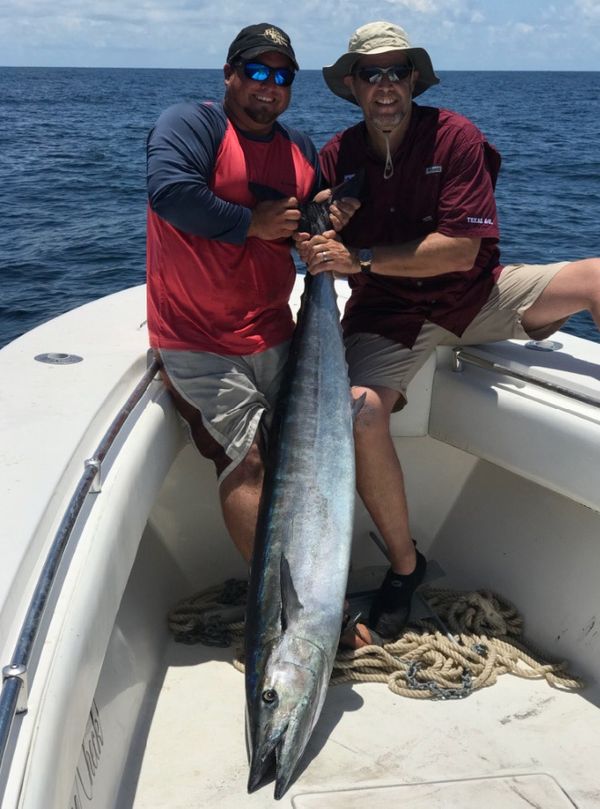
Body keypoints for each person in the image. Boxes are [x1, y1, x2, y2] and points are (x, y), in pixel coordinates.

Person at [296, 21, 600, 640]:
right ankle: (405, 568)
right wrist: (323, 218)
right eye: (371, 74)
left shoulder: (455, 136)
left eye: (397, 73)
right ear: (352, 85)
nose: (385, 86)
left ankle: (542, 315)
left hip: (474, 298)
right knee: (359, 412)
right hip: (389, 318)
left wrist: (361, 259)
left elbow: (462, 251)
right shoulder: (337, 154)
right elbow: (309, 239)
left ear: (413, 81)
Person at [146, 22, 357, 563]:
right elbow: (170, 193)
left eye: (282, 75)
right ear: (228, 74)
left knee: (307, 458)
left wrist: (327, 219)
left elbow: (305, 230)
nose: (268, 84)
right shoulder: (191, 125)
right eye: (255, 70)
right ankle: (284, 617)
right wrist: (250, 223)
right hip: (199, 340)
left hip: (278, 333)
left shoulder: (300, 150)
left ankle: (313, 582)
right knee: (250, 464)